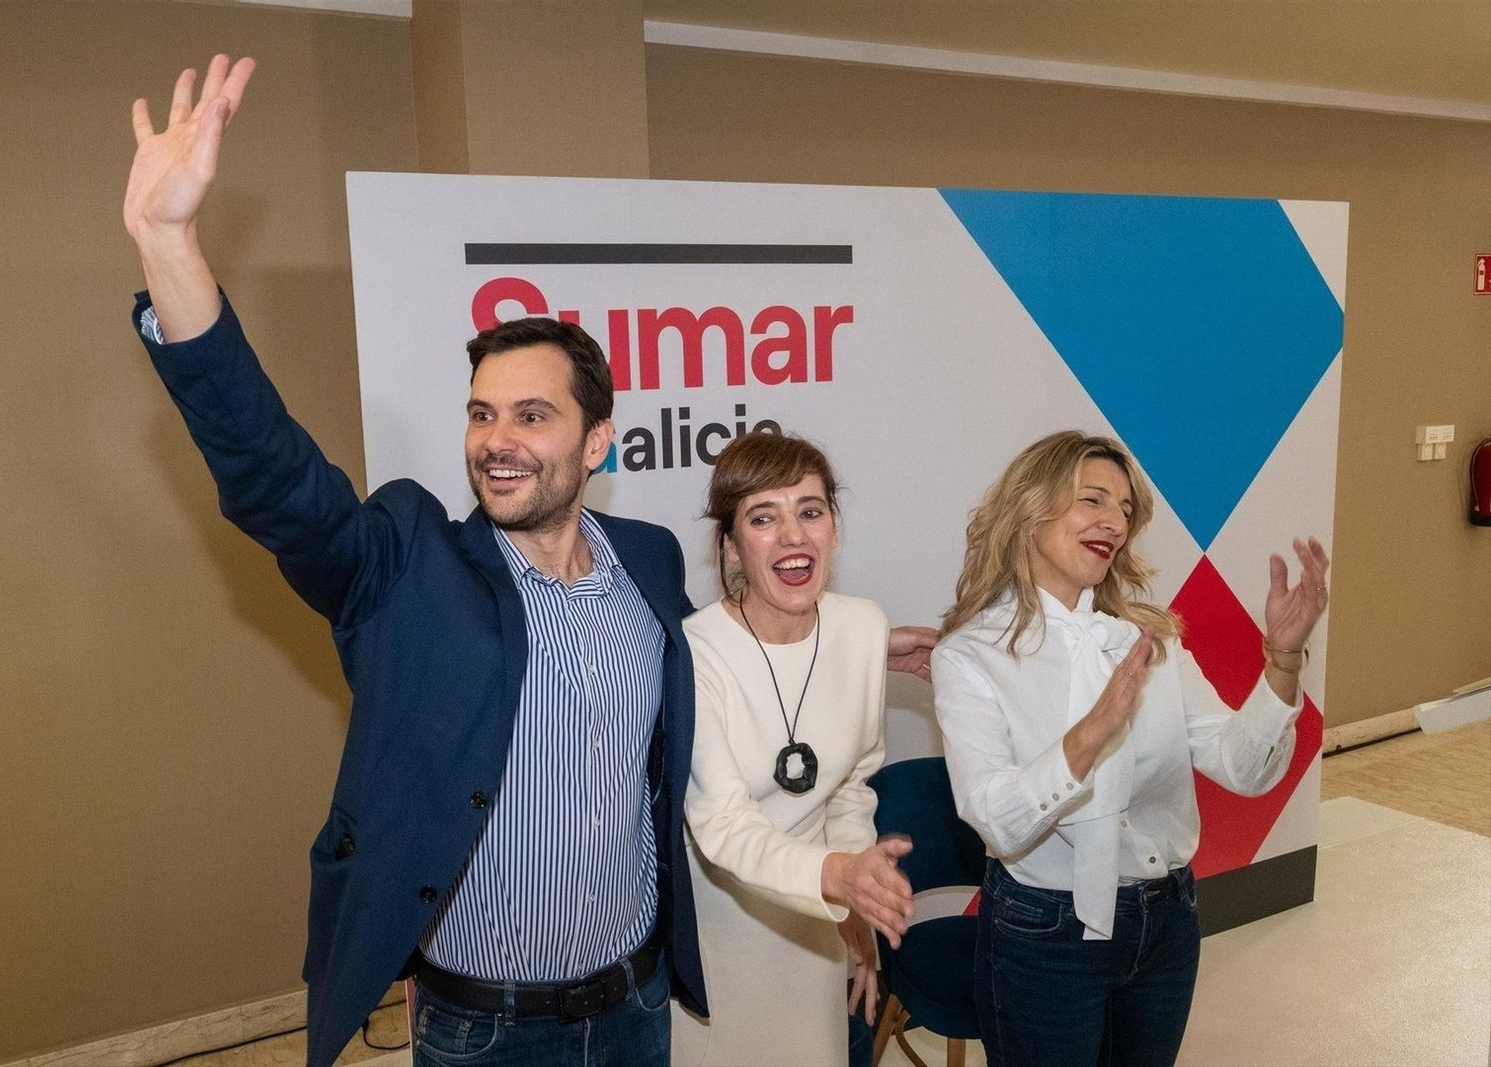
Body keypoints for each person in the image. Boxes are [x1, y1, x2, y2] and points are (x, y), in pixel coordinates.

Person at [122, 57, 935, 1067]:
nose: (496, 438)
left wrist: (852, 643)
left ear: (598, 442)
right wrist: (168, 245)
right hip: (483, 1024)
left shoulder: (644, 563)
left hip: (640, 1004)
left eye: (531, 415)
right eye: (480, 413)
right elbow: (276, 482)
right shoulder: (408, 563)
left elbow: (714, 681)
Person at [931, 431, 1328, 1067]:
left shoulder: (1149, 641)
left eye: (1124, 510)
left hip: (1167, 919)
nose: (1114, 522)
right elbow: (996, 819)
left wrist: (1281, 660)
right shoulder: (972, 656)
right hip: (1043, 932)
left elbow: (1243, 769)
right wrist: (1092, 735)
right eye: (1093, 500)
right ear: (1030, 510)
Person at [670, 433, 919, 1067]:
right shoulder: (695, 653)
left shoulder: (863, 626)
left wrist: (852, 899)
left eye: (810, 510)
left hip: (814, 923)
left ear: (834, 525)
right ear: (729, 545)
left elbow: (852, 783)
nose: (793, 535)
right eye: (763, 517)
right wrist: (838, 879)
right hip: (721, 927)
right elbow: (722, 827)